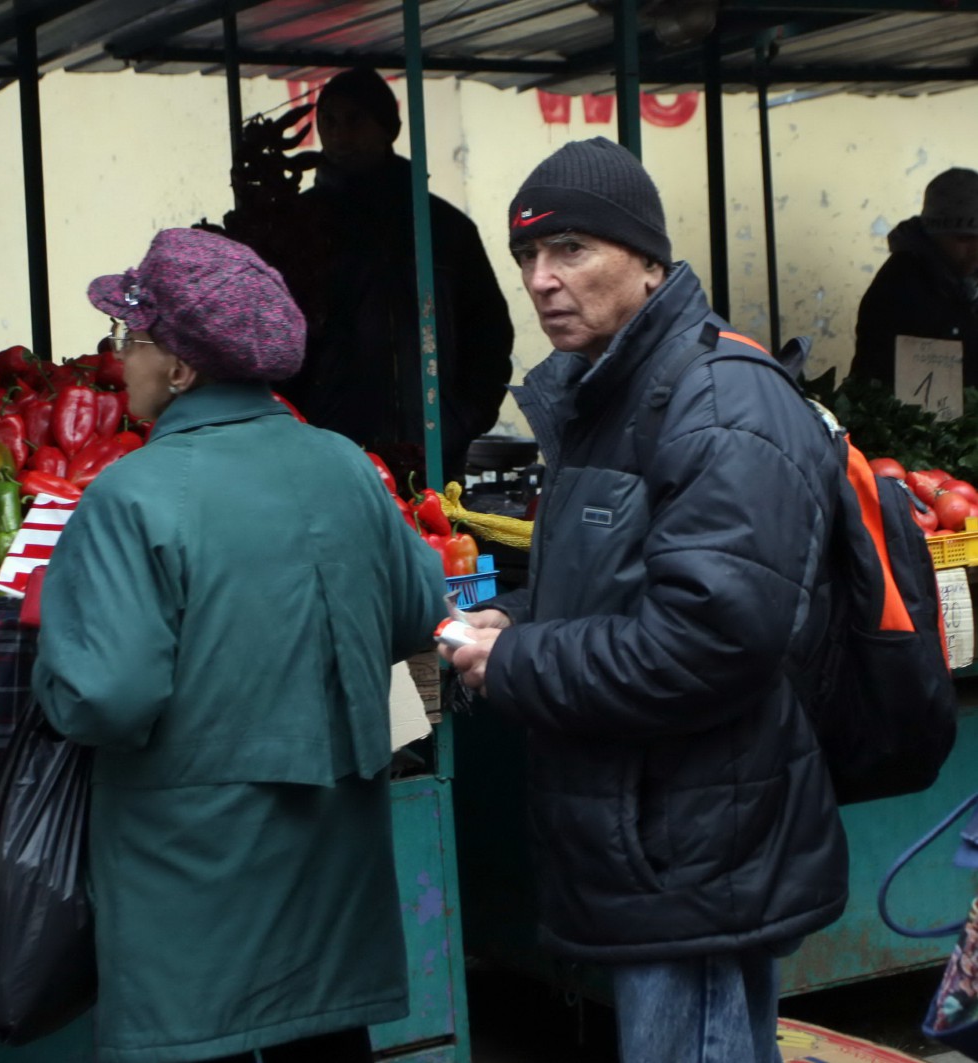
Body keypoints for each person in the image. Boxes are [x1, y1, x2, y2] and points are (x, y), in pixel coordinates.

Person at [439, 137, 849, 1063]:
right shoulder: (611, 396)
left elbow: (708, 640)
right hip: (650, 837)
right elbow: (631, 578)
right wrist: (527, 615)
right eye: (527, 258)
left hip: (695, 845)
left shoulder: (718, 404)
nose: (542, 280)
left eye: (571, 249)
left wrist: (517, 661)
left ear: (648, 258)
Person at [32, 227, 447, 1063]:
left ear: (180, 368)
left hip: (192, 883)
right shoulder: (344, 466)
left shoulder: (131, 495)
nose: (120, 358)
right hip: (331, 871)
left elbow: (105, 696)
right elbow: (417, 611)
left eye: (131, 338)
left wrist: (49, 663)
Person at [235, 68, 514, 488]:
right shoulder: (297, 226)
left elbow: (489, 333)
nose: (340, 134)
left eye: (355, 119)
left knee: (439, 549)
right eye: (328, 120)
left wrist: (460, 420)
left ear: (390, 128)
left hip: (432, 454)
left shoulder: (444, 228)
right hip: (326, 455)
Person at [849, 167, 978, 393]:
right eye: (964, 239)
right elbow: (922, 404)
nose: (976, 250)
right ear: (935, 233)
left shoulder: (965, 277)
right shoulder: (901, 289)